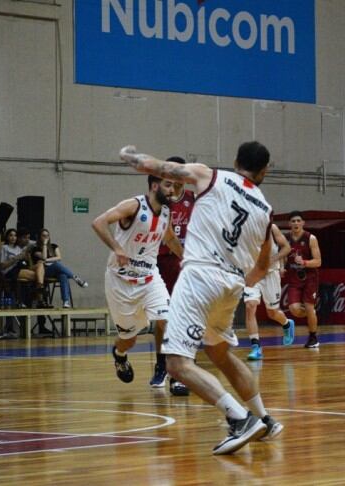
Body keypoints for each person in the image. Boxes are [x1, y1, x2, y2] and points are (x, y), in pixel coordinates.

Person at [119, 141, 283, 455]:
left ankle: (240, 419)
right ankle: (265, 419)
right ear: (265, 171)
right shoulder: (265, 209)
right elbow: (263, 265)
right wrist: (237, 281)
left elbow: (155, 166)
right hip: (232, 285)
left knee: (177, 364)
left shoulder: (211, 176)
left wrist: (129, 155)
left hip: (200, 277)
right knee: (221, 355)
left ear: (235, 161)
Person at [91, 175, 183, 386]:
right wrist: (117, 248)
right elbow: (98, 223)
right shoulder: (133, 205)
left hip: (150, 277)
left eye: (174, 186)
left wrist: (185, 257)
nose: (172, 190)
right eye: (167, 185)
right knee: (128, 340)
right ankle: (119, 355)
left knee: (168, 320)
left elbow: (168, 238)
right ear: (154, 186)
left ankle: (174, 375)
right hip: (120, 281)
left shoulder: (167, 212)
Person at [152, 155, 195, 396]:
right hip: (161, 259)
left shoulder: (193, 200)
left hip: (186, 262)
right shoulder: (160, 199)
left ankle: (183, 365)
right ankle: (161, 363)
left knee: (185, 315)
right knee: (162, 317)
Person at [244, 223, 295, 360]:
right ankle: (255, 347)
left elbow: (287, 248)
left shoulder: (271, 227)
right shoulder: (240, 227)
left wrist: (272, 259)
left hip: (270, 273)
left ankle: (286, 324)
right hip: (252, 273)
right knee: (250, 306)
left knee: (272, 312)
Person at [285, 211, 322, 348]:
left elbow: (318, 261)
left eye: (298, 221)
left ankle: (313, 337)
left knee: (309, 306)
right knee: (294, 309)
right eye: (293, 221)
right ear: (289, 224)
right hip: (294, 277)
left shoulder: (310, 238)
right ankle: (312, 314)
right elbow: (283, 256)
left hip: (310, 278)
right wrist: (281, 267)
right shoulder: (285, 239)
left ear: (303, 223)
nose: (296, 223)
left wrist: (304, 263)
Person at [32, 229, 88, 308]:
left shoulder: (54, 246)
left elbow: (59, 257)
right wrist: (44, 245)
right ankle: (75, 277)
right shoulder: (35, 249)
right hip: (44, 271)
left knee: (63, 275)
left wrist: (47, 260)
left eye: (47, 235)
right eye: (43, 236)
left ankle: (66, 302)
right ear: (39, 237)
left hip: (55, 269)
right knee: (56, 264)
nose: (46, 237)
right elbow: (43, 257)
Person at [0, 228, 42, 307]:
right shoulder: (4, 247)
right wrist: (16, 258)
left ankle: (37, 292)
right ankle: (37, 295)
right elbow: (2, 266)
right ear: (7, 237)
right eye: (11, 235)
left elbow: (33, 242)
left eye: (15, 236)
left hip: (20, 268)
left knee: (40, 269)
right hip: (10, 271)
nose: (13, 237)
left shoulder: (19, 248)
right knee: (36, 276)